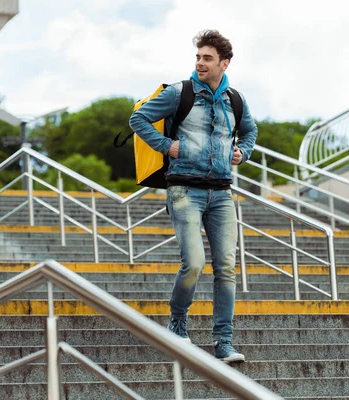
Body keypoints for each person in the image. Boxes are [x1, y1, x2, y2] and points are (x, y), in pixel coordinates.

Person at [129, 30, 258, 363]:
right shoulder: (179, 93)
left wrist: (243, 151)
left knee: (227, 268)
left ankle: (224, 342)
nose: (200, 63)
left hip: (222, 193)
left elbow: (250, 130)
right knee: (195, 264)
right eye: (198, 57)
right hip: (184, 188)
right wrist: (165, 145)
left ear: (224, 63)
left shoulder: (236, 100)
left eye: (207, 58)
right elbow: (138, 117)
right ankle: (177, 324)